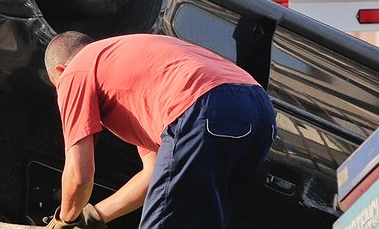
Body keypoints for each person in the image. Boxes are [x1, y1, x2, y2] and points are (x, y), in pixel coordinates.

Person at [42, 32, 276, 229]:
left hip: (203, 104)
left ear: (61, 70)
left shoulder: (76, 71)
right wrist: (93, 217)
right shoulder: (130, 68)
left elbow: (80, 176)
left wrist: (65, 221)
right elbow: (153, 174)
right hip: (260, 110)